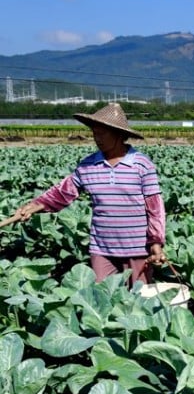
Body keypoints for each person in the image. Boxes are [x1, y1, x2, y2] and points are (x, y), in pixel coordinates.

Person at [9, 102, 167, 285]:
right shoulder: (87, 166)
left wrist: (155, 242)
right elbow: (62, 193)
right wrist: (34, 206)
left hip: (137, 247)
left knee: (139, 301)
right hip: (101, 248)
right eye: (94, 133)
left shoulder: (141, 164)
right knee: (101, 298)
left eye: (102, 133)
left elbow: (155, 207)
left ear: (118, 134)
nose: (97, 138)